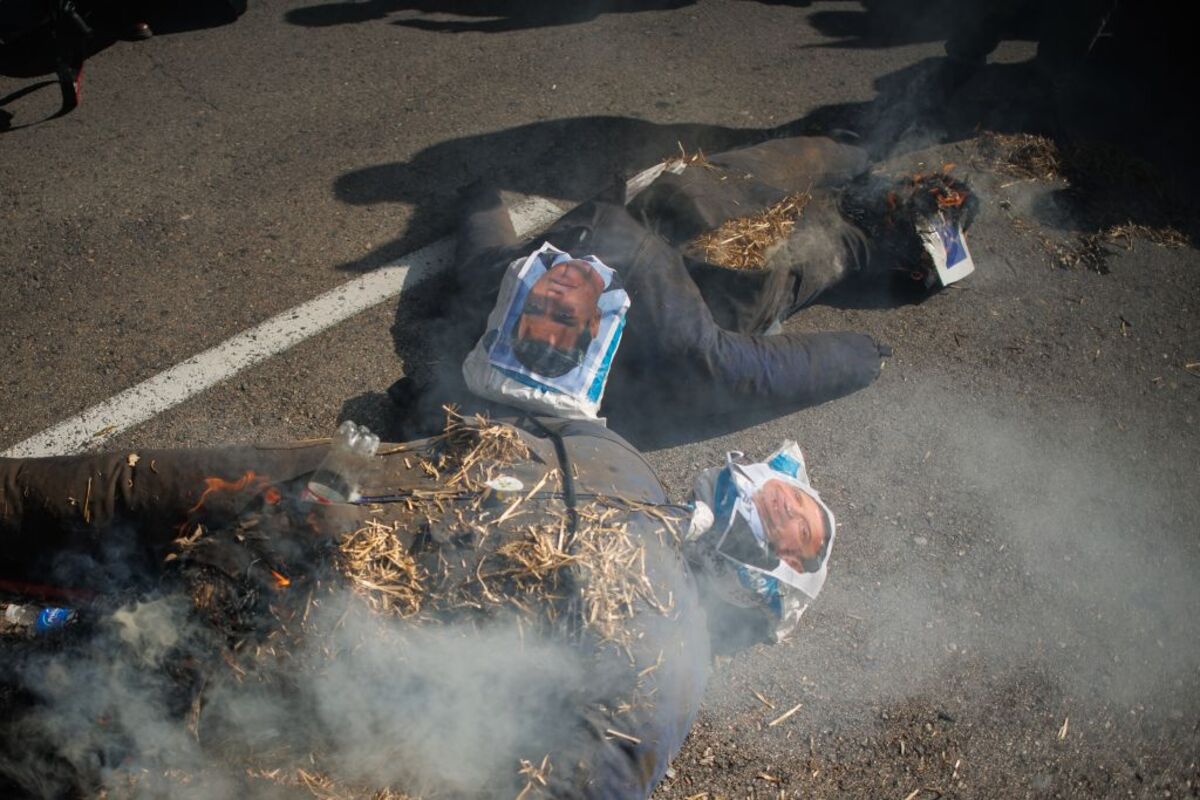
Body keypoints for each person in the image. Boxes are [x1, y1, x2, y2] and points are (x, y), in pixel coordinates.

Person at [0, 412, 708, 799]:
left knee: (87, 556)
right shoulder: (672, 655)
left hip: (284, 573)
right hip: (285, 561)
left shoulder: (618, 461)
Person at [393, 134, 974, 439]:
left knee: (740, 173)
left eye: (538, 306)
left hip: (674, 201)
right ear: (592, 334)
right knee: (823, 247)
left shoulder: (499, 285)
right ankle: (899, 237)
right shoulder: (666, 332)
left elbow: (483, 246)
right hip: (735, 277)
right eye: (564, 315)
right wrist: (863, 356)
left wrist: (478, 195)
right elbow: (749, 372)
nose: (555, 290)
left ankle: (860, 147)